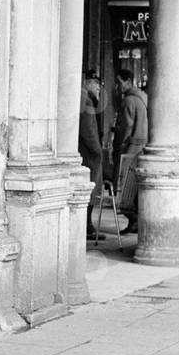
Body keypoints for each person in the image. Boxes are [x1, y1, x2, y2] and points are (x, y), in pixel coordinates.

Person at [112, 68, 148, 234]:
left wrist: (117, 146)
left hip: (130, 149)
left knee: (125, 187)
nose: (118, 87)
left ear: (128, 82)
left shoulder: (128, 101)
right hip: (142, 147)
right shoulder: (144, 98)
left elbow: (124, 128)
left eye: (119, 83)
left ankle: (133, 220)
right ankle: (136, 221)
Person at [79, 71, 105, 241]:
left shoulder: (84, 98)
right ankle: (87, 226)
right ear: (86, 82)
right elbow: (88, 130)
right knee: (90, 189)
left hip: (84, 151)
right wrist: (98, 151)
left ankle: (87, 225)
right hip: (88, 153)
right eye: (94, 83)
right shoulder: (86, 100)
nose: (98, 87)